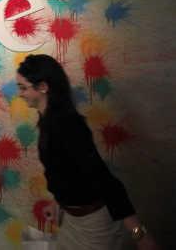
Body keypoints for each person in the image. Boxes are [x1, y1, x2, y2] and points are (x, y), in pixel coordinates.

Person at [16, 54, 159, 250]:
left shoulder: (68, 126)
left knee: (35, 243)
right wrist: (58, 202)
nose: (20, 94)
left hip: (94, 227)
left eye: (23, 88)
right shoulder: (48, 121)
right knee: (31, 242)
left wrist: (139, 234)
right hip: (71, 221)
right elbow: (67, 171)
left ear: (43, 87)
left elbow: (104, 179)